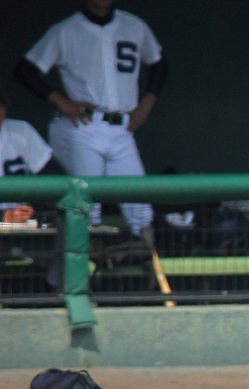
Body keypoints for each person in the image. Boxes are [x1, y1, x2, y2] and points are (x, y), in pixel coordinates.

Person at [14, 0, 167, 237]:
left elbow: (159, 63)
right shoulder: (65, 30)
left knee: (140, 210)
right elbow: (24, 70)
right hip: (83, 126)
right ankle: (83, 271)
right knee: (87, 208)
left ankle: (149, 269)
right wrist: (59, 100)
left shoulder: (134, 25)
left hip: (123, 129)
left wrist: (147, 103)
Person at [0, 87, 57, 225]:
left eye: (1, 106)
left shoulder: (21, 131)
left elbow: (50, 179)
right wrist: (3, 216)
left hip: (21, 222)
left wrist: (33, 211)